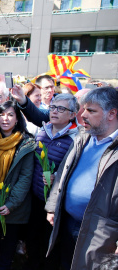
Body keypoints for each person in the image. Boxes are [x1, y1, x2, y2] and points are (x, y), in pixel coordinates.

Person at [45, 87, 118, 269]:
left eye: (91, 111)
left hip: (100, 232)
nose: (82, 115)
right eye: (83, 109)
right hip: (68, 222)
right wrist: (53, 207)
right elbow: (63, 172)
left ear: (112, 114)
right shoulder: (82, 137)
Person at [24, 94, 81, 270]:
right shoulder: (42, 132)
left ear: (72, 115)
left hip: (57, 204)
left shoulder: (76, 139)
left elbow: (77, 172)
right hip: (35, 197)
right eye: (53, 107)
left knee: (51, 243)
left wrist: (59, 176)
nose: (54, 111)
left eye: (61, 109)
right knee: (32, 237)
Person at [0, 101, 35, 269]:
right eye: (1, 114)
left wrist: (11, 204)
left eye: (10, 115)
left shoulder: (26, 143)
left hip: (13, 198)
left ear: (17, 119)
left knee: (8, 241)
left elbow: (25, 177)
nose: (5, 119)